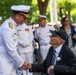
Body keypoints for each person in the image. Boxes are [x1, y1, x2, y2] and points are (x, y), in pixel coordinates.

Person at [0, 5, 30, 75]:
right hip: (5, 63)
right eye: (24, 17)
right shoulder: (7, 28)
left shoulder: (13, 25)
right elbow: (11, 49)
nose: (25, 20)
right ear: (17, 16)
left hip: (10, 61)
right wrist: (22, 63)